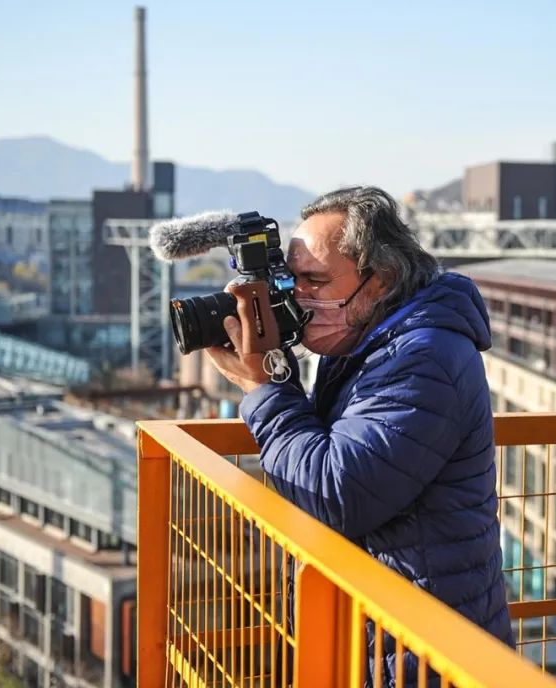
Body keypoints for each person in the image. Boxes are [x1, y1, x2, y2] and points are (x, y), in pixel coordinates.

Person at [205, 186, 513, 682]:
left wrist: (264, 387)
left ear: (381, 279)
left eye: (315, 280)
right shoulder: (365, 342)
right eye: (291, 280)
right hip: (388, 636)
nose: (298, 297)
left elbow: (335, 492)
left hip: (425, 650)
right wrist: (273, 371)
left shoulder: (424, 357)